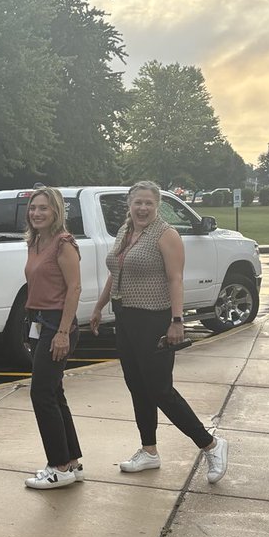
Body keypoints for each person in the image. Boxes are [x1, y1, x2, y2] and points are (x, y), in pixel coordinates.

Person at [89, 181, 229, 483]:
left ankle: (210, 444)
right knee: (137, 386)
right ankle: (149, 450)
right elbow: (116, 273)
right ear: (129, 204)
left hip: (153, 319)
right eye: (137, 202)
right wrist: (99, 307)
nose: (142, 208)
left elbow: (175, 279)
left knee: (160, 390)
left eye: (148, 203)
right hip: (125, 318)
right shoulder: (125, 231)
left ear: (157, 205)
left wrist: (177, 321)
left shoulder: (166, 234)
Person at [22, 188, 84, 489]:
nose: (37, 213)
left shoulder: (63, 244)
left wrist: (62, 332)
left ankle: (58, 467)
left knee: (42, 394)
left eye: (44, 208)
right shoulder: (35, 241)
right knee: (54, 393)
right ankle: (71, 461)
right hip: (38, 322)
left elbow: (74, 288)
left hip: (57, 325)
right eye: (33, 208)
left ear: (56, 211)